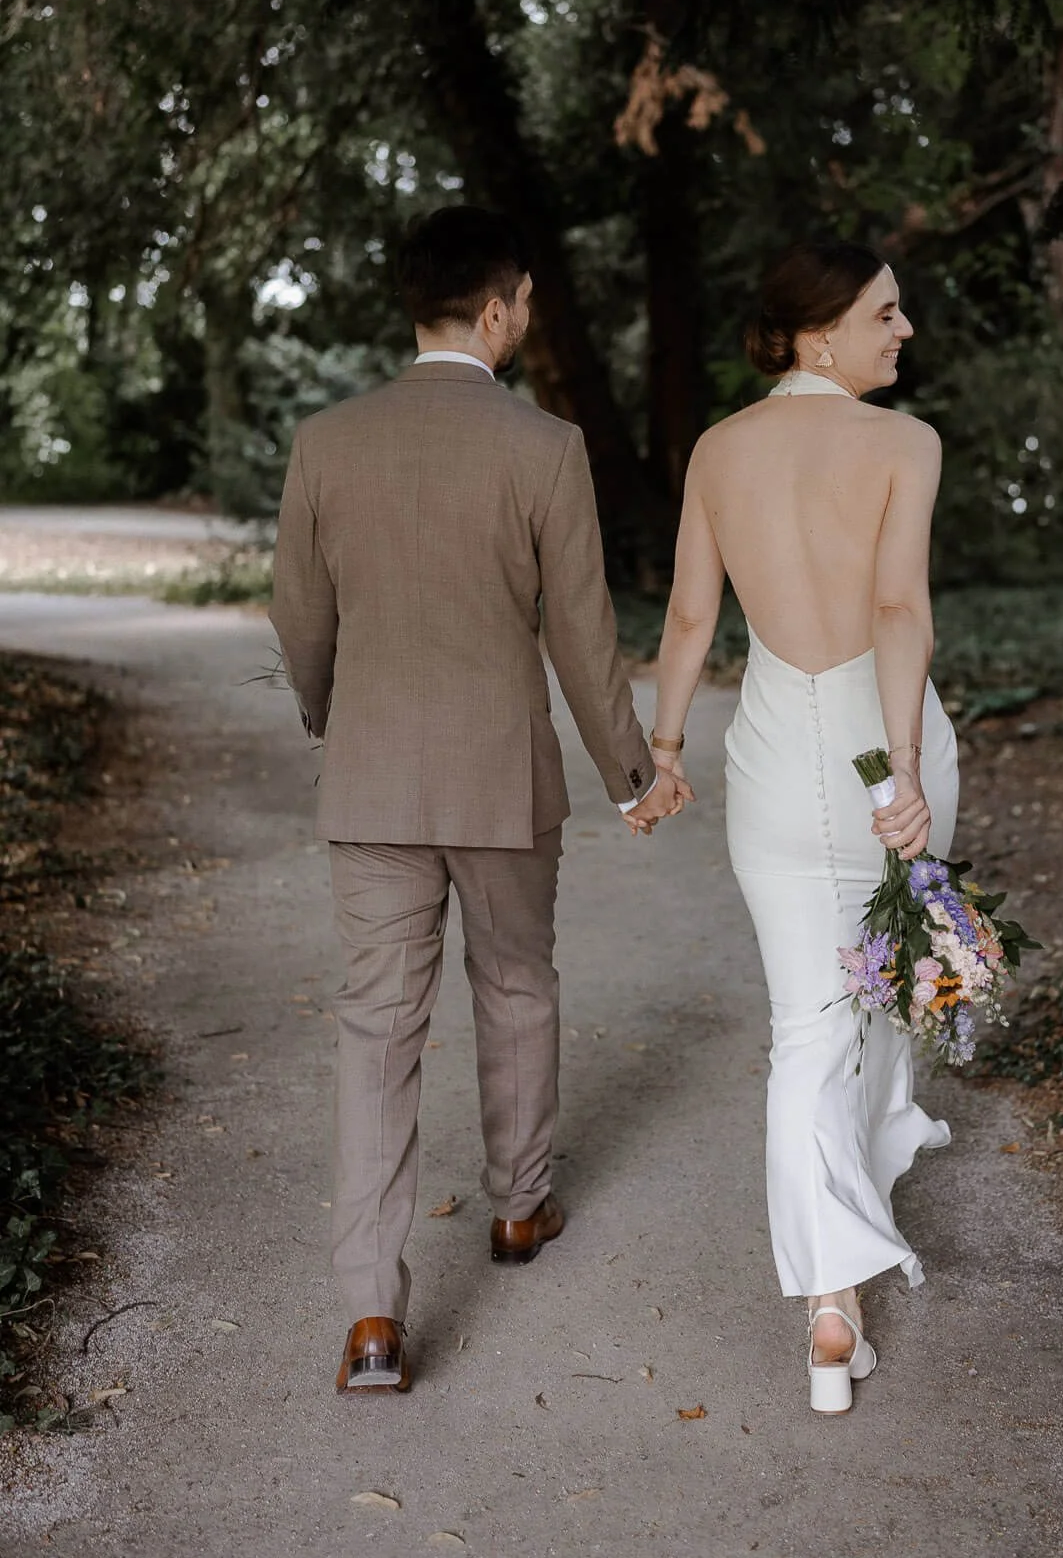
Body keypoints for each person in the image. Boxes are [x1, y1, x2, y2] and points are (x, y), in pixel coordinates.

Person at [270, 205, 683, 1396]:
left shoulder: (326, 441)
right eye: (525, 307)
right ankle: (518, 1210)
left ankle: (369, 1319)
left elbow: (301, 622)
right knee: (516, 986)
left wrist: (331, 720)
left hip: (376, 781)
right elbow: (584, 636)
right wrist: (633, 773)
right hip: (505, 780)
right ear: (498, 310)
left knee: (375, 1031)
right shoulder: (543, 447)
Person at [648, 238, 958, 1413]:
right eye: (886, 312)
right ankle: (857, 1216)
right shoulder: (904, 446)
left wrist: (665, 753)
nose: (905, 329)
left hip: (777, 762)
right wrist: (906, 776)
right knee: (879, 988)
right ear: (818, 332)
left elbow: (688, 616)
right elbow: (895, 609)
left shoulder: (720, 450)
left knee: (805, 1025)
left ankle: (832, 1309)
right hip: (882, 739)